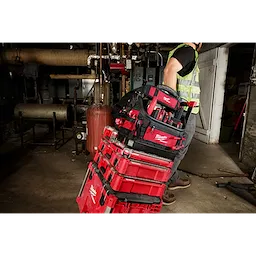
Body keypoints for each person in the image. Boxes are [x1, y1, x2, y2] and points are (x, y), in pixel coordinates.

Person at [162, 40, 203, 206]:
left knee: (174, 148)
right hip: (184, 112)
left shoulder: (180, 50)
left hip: (183, 110)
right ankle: (160, 187)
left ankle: (172, 177)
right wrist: (173, 106)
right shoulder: (188, 51)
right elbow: (169, 71)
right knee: (178, 150)